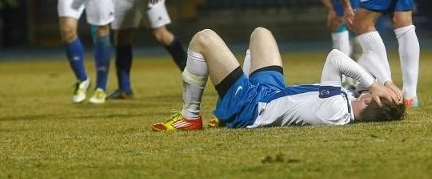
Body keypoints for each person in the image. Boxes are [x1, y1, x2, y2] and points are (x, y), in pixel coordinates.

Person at [151, 27, 405, 131]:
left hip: (250, 108)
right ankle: (236, 92)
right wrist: (387, 82)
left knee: (203, 38)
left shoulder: (336, 110)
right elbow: (368, 62)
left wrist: (374, 84)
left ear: (372, 100)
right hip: (270, 93)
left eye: (378, 93)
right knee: (262, 33)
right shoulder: (350, 104)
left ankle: (191, 116)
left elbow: (336, 57)